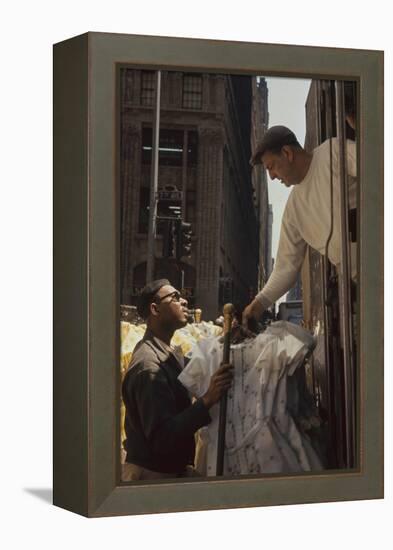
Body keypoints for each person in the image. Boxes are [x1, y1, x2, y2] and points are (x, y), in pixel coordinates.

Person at [243, 125, 356, 326]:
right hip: (362, 283)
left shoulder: (333, 152)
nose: (272, 176)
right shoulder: (293, 211)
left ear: (287, 153)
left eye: (271, 167)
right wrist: (258, 304)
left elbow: (378, 167)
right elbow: (285, 268)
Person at [121, 279, 233, 481]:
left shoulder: (164, 351)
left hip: (168, 471)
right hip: (153, 477)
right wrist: (207, 399)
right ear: (155, 309)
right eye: (175, 298)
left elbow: (191, 365)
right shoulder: (149, 367)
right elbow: (164, 438)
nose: (184, 302)